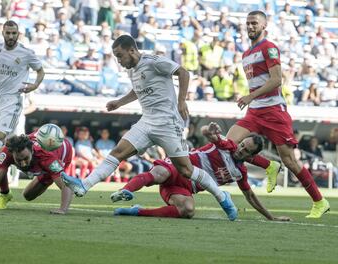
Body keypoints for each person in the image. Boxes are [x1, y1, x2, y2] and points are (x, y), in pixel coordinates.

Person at [62, 34, 236, 217]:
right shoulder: (131, 69)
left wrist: (182, 101)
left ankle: (221, 196)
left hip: (168, 123)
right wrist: (120, 102)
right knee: (118, 152)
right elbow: (138, 90)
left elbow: (183, 72)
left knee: (185, 170)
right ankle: (84, 185)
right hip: (147, 121)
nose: (119, 61)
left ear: (132, 50)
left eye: (120, 55)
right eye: (116, 57)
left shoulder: (154, 62)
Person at [225, 11, 329, 218]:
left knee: (290, 160)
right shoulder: (246, 55)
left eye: (254, 23)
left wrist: (250, 96)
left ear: (264, 26)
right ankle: (269, 166)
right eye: (247, 23)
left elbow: (276, 80)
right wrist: (251, 101)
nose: (250, 26)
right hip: (254, 112)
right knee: (228, 144)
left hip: (274, 112)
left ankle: (319, 201)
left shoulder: (269, 48)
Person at [111, 122, 290, 222]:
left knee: (188, 211)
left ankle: (138, 211)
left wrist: (271, 217)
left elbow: (250, 196)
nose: (240, 150)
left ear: (252, 155)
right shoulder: (228, 145)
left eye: (246, 150)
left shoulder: (239, 172)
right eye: (242, 145)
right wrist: (209, 129)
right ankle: (126, 190)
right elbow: (207, 133)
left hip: (184, 187)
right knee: (159, 174)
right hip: (179, 166)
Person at [0, 20, 45, 193]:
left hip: (13, 100)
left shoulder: (26, 53)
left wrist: (35, 85)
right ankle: (5, 181)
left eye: (14, 33)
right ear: (3, 32)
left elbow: (40, 71)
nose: (11, 36)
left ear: (18, 34)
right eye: (8, 33)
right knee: (4, 143)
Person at [0, 132, 73, 214]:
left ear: (32, 151)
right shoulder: (8, 152)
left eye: (25, 158)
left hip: (64, 152)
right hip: (34, 151)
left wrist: (62, 209)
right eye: (18, 160)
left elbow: (66, 185)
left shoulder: (47, 158)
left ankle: (47, 176)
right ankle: (5, 193)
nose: (23, 164)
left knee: (28, 195)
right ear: (12, 153)